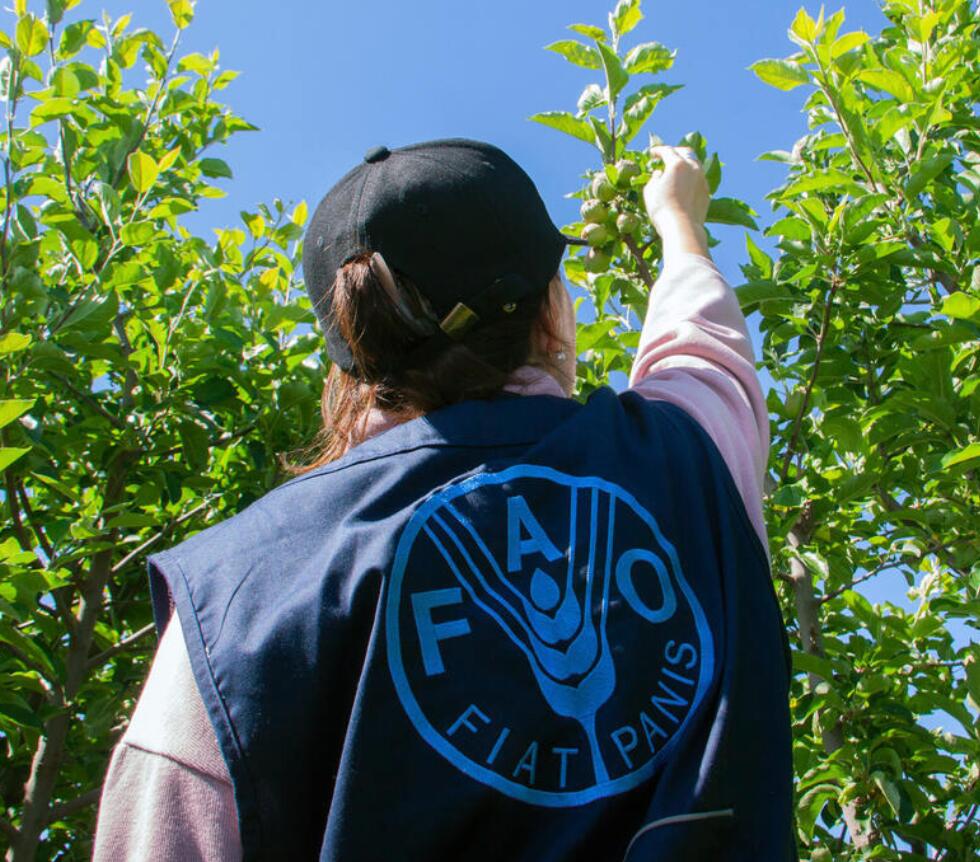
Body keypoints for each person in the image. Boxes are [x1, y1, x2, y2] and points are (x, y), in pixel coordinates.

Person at [93, 139, 795, 861]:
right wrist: (678, 220)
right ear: (552, 315)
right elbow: (703, 347)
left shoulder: (236, 591)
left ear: (351, 362)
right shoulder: (688, 461)